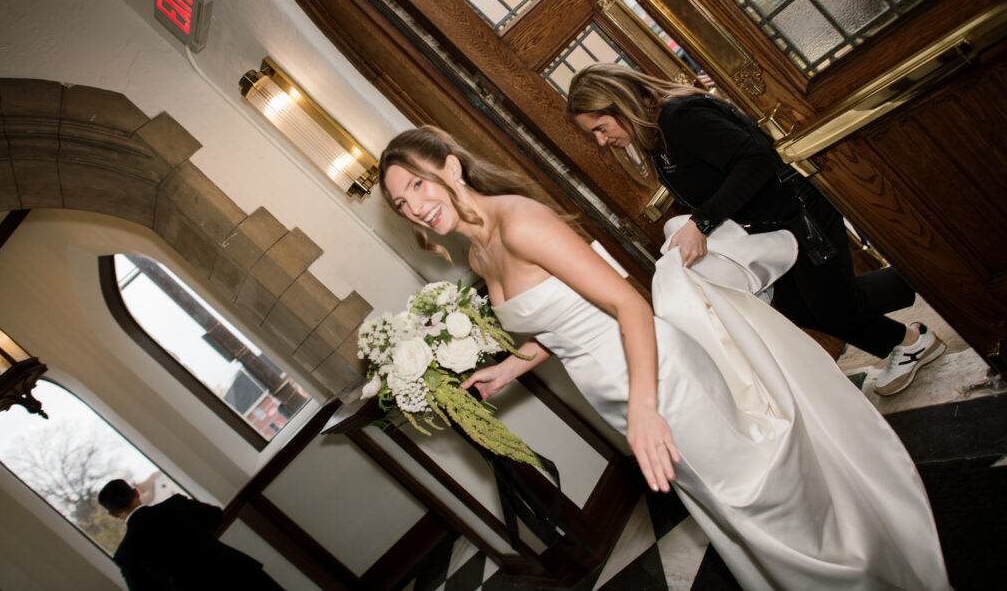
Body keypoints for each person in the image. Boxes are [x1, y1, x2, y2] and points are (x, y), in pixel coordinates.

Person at [379, 126, 951, 590]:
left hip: (661, 380)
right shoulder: (479, 255)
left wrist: (647, 409)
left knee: (754, 494)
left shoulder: (521, 221)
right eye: (403, 205)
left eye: (419, 188)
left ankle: (858, 567)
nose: (416, 209)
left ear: (451, 166)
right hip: (619, 396)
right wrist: (513, 365)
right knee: (727, 508)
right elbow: (560, 320)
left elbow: (626, 304)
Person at [566, 62, 946, 396]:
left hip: (799, 216)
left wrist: (702, 224)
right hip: (772, 232)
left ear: (621, 104)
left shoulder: (681, 118)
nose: (601, 141)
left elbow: (754, 161)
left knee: (836, 307)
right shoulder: (657, 139)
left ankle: (942, 278)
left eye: (600, 127)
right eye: (594, 135)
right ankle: (909, 340)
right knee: (801, 310)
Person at [97, 479, 284, 591]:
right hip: (237, 572)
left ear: (113, 514)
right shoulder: (175, 505)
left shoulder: (126, 555)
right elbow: (214, 515)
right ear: (136, 492)